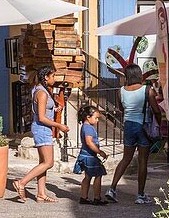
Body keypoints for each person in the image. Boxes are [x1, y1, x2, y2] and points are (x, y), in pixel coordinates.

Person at [104, 64, 161, 206]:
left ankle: (112, 188)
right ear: (139, 74)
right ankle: (140, 195)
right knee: (142, 161)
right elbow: (156, 110)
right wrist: (158, 124)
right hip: (142, 126)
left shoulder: (121, 91)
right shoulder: (147, 90)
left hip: (128, 125)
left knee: (126, 158)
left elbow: (122, 109)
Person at [13, 66, 69, 204]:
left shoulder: (40, 90)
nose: (54, 79)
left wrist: (55, 108)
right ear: (46, 77)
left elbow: (42, 110)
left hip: (43, 129)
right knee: (48, 162)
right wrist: (59, 126)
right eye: (53, 76)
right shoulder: (42, 93)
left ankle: (41, 194)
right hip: (42, 128)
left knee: (43, 162)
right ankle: (21, 182)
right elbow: (42, 117)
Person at [75, 104, 108, 206]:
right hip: (90, 157)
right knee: (98, 174)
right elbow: (89, 142)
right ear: (88, 117)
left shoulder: (84, 127)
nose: (97, 121)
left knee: (88, 176)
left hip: (85, 155)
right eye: (96, 118)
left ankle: (83, 197)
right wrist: (99, 152)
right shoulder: (88, 128)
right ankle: (97, 198)